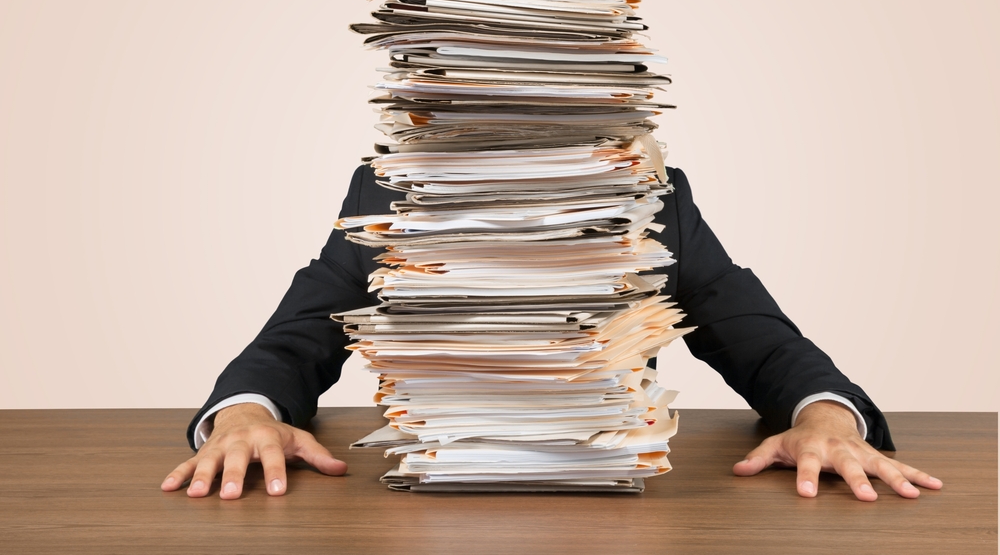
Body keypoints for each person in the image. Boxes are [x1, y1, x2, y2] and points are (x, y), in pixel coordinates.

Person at [161, 164, 942, 502]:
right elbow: (303, 325)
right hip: (426, 502)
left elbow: (757, 335)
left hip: (619, 501)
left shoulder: (653, 196)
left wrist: (826, 421)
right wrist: (246, 416)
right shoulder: (390, 189)